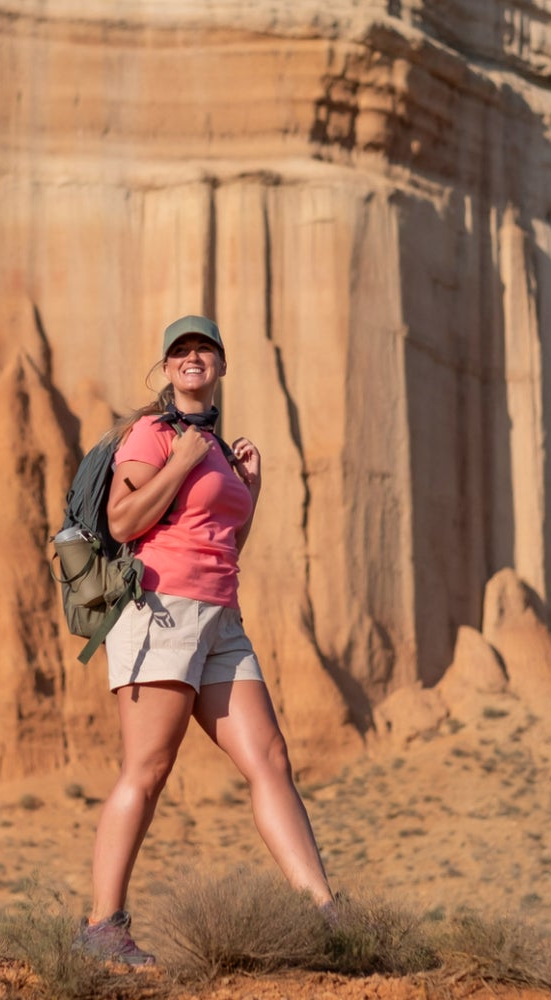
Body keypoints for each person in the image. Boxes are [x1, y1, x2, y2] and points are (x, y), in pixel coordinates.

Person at [75, 314, 335, 966]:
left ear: (219, 365)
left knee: (270, 759)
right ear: (168, 369)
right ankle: (103, 927)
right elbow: (125, 517)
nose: (193, 359)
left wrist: (251, 488)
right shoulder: (153, 434)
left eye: (204, 350)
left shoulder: (220, 447)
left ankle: (327, 915)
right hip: (160, 610)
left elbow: (224, 543)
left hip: (221, 619)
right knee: (149, 769)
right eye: (181, 351)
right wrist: (182, 460)